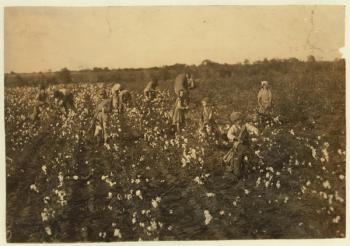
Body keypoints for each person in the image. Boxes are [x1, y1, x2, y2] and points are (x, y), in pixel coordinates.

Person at [223, 112, 259, 178]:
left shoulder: (244, 125)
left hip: (246, 144)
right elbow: (229, 134)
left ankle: (251, 168)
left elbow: (251, 127)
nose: (239, 121)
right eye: (237, 120)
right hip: (238, 145)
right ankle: (237, 172)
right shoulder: (233, 127)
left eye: (240, 119)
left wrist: (255, 130)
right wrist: (235, 138)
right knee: (238, 158)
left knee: (250, 154)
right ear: (234, 121)